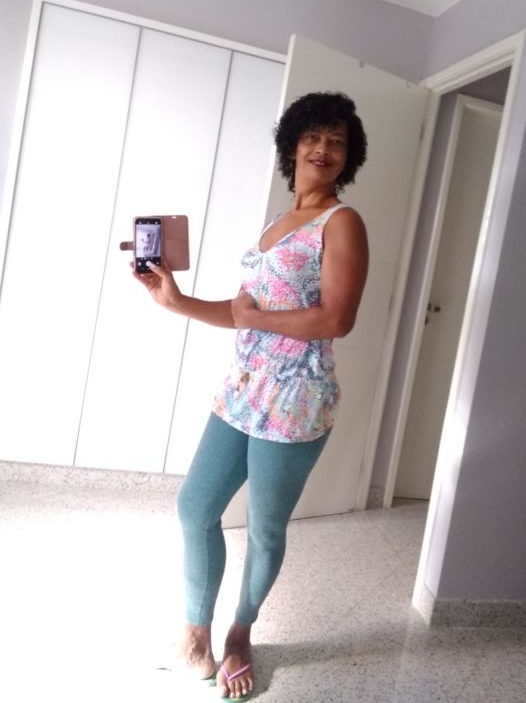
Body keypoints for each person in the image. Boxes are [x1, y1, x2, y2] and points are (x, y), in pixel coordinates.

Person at [133, 91, 369, 700]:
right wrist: (177, 301)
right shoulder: (276, 223)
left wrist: (257, 320)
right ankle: (196, 637)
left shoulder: (341, 223)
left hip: (296, 398)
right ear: (292, 145)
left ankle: (240, 634)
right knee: (195, 508)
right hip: (243, 388)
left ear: (349, 156)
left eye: (337, 140)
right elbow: (244, 311)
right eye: (312, 136)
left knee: (264, 529)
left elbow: (336, 319)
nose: (323, 148)